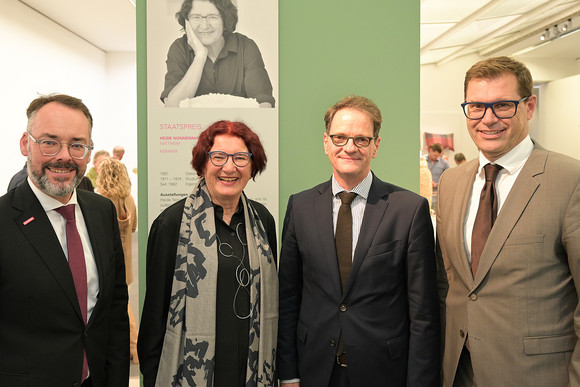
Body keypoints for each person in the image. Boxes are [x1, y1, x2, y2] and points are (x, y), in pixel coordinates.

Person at [436, 56, 580, 387]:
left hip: (537, 377)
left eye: (503, 105)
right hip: (460, 372)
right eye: (476, 107)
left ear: (529, 107)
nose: (488, 119)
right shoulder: (451, 182)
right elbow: (450, 283)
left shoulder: (570, 180)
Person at [277, 95, 440, 387]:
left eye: (361, 140)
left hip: (384, 372)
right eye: (340, 138)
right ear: (326, 142)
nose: (349, 147)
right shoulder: (300, 207)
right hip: (315, 368)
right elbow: (289, 297)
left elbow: (423, 313)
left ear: (376, 146)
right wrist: (288, 373)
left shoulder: (408, 209)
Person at [0, 94, 129, 386]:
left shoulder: (100, 211)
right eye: (49, 142)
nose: (65, 156)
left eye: (77, 145)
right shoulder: (3, 221)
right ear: (25, 144)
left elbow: (115, 310)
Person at [138, 120, 278, 387]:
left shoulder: (263, 220)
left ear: (252, 166)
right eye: (218, 157)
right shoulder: (172, 224)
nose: (229, 167)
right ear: (203, 164)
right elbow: (155, 315)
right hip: (189, 372)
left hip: (250, 369)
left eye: (240, 158)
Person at [161, 0, 275, 108]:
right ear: (187, 22)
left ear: (225, 21)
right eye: (196, 17)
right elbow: (172, 106)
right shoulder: (179, 48)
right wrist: (200, 56)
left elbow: (264, 103)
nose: (204, 26)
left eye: (212, 17)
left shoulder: (246, 47)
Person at [96, 157, 139, 364]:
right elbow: (133, 227)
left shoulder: (100, 201)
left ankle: (134, 346)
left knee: (122, 306)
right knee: (123, 302)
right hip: (125, 260)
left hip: (107, 262)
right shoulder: (129, 198)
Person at [426, 142, 449, 210]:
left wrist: (437, 184)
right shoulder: (422, 161)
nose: (436, 157)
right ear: (430, 150)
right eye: (435, 155)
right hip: (425, 192)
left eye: (438, 155)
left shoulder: (444, 163)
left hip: (438, 193)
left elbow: (448, 178)